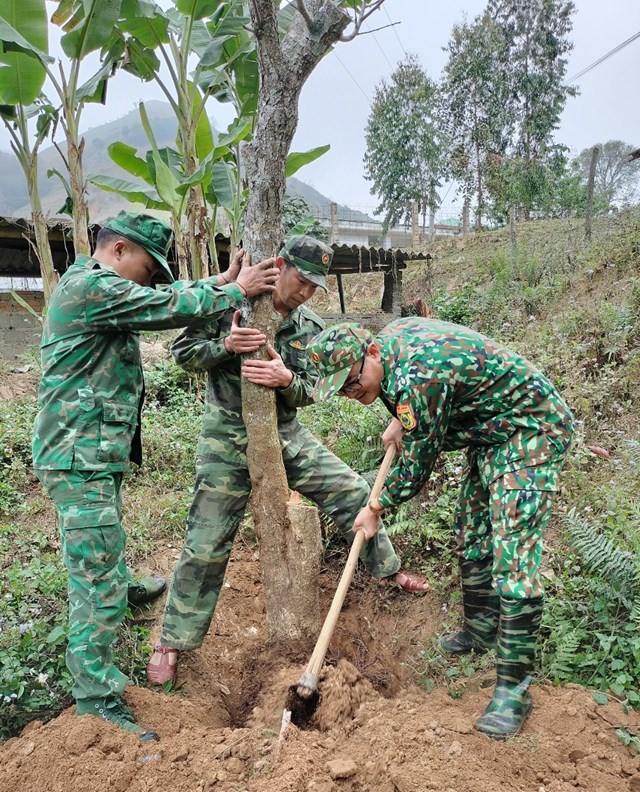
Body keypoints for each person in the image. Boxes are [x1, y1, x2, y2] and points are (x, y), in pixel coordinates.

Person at [32, 211, 279, 740]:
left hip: (91, 452)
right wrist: (235, 290)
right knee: (92, 579)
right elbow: (163, 306)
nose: (149, 278)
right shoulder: (91, 287)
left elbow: (160, 296)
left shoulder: (96, 286)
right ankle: (96, 698)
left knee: (105, 536)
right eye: (147, 267)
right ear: (118, 250)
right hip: (79, 456)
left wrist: (217, 283)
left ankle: (119, 585)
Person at [146, 235, 429, 686]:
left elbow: (315, 389)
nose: (305, 293)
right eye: (301, 280)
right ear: (280, 265)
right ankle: (173, 641)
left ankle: (388, 571)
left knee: (354, 492)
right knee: (206, 538)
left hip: (286, 433)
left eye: (315, 286)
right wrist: (226, 346)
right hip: (227, 435)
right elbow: (181, 354)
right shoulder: (229, 303)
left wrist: (286, 379)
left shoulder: (312, 325)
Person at [305, 317, 574, 740]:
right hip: (492, 434)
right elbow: (416, 402)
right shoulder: (391, 349)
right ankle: (481, 629)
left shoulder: (420, 376)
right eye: (341, 390)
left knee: (512, 552)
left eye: (353, 384)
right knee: (471, 526)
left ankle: (513, 690)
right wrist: (401, 417)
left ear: (371, 353)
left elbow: (416, 469)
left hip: (529, 429)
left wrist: (374, 508)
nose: (352, 396)